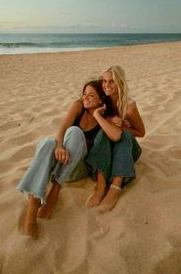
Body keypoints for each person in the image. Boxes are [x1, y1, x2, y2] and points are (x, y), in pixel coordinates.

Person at [17, 79, 121, 239]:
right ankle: (32, 207)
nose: (85, 98)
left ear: (101, 99)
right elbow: (62, 128)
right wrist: (59, 146)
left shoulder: (104, 117)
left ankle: (53, 194)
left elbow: (114, 138)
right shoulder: (78, 106)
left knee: (75, 132)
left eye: (91, 95)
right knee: (48, 142)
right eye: (84, 94)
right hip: (60, 161)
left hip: (76, 169)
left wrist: (99, 116)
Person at [85, 65, 145, 212]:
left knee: (123, 134)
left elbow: (141, 132)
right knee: (103, 132)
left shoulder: (129, 106)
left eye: (111, 81)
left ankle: (116, 187)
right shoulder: (102, 102)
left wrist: (122, 127)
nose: (107, 85)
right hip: (109, 152)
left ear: (120, 83)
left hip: (128, 151)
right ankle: (101, 186)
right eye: (104, 81)